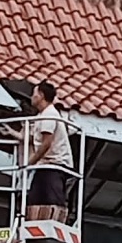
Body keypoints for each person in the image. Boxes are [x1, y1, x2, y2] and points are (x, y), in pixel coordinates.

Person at [25, 80, 74, 222]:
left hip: (55, 164)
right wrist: (11, 133)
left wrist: (30, 163)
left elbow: (46, 143)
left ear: (40, 95)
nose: (31, 97)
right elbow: (32, 138)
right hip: (45, 164)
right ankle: (37, 222)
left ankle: (56, 223)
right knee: (35, 197)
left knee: (52, 198)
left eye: (33, 94)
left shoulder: (50, 114)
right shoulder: (42, 116)